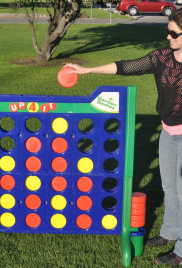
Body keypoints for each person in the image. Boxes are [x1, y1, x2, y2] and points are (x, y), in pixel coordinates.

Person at [65, 9, 182, 267]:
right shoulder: (162, 57)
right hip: (167, 132)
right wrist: (86, 71)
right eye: (168, 30)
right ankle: (170, 231)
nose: (169, 36)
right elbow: (127, 67)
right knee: (169, 187)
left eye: (174, 33)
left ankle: (181, 251)